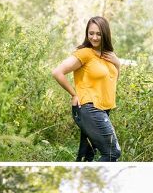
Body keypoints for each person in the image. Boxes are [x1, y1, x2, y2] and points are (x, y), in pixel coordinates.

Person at [51, 17, 122, 162]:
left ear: (105, 34)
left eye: (99, 34)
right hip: (89, 108)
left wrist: (117, 63)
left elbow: (112, 81)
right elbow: (57, 72)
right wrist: (73, 94)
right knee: (113, 152)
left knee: (85, 157)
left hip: (102, 109)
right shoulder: (84, 53)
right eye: (91, 33)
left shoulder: (108, 56)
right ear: (86, 33)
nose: (94, 37)